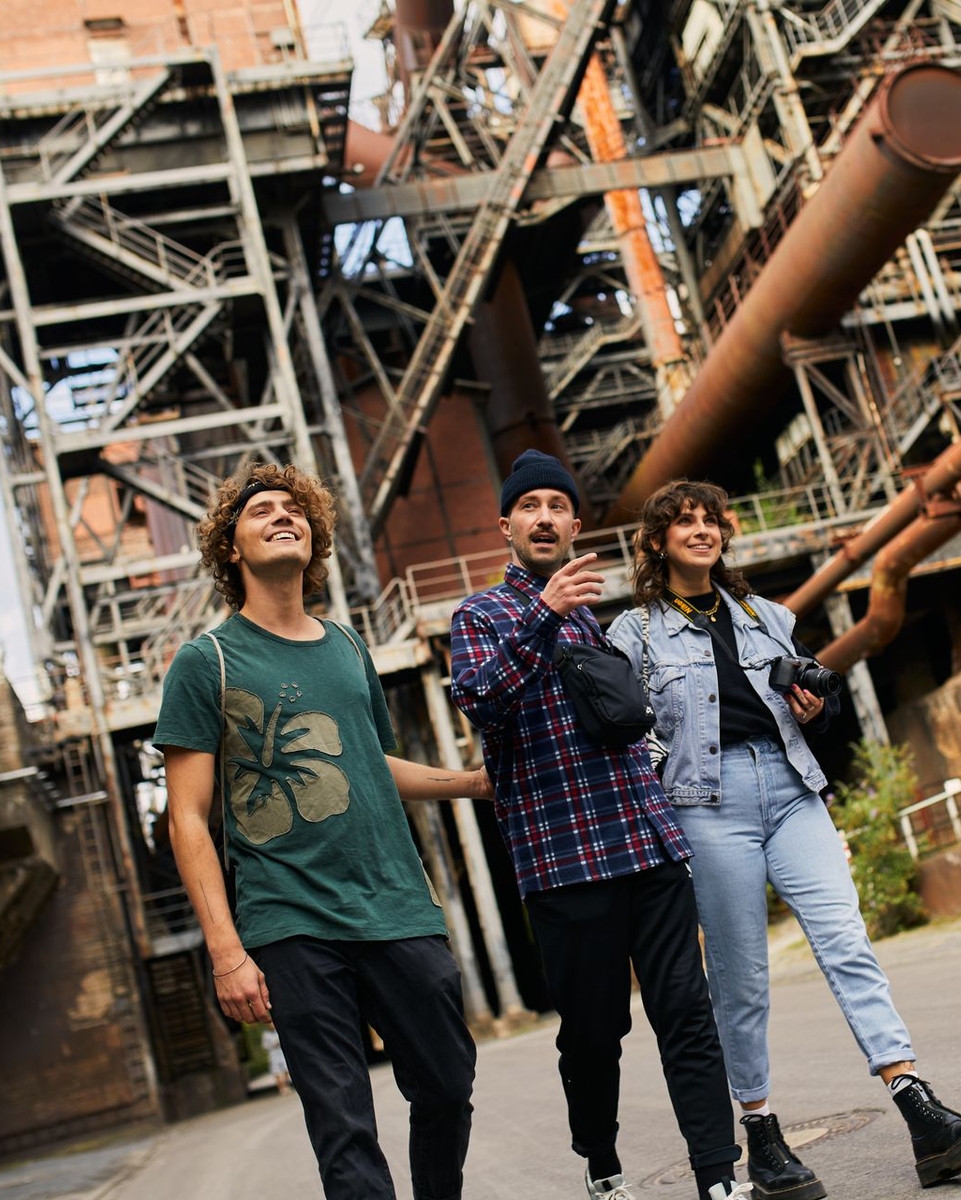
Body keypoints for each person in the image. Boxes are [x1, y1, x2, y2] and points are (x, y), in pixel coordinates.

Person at [607, 479, 961, 1193]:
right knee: (741, 978)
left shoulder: (768, 617)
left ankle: (919, 1108)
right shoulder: (632, 635)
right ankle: (762, 1136)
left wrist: (815, 710)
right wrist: (664, 785)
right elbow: (627, 736)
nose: (702, 531)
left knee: (847, 941)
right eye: (684, 522)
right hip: (708, 804)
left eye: (711, 520)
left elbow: (815, 712)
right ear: (658, 542)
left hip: (791, 788)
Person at [155, 463, 488, 1200]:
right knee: (343, 1125)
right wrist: (226, 951)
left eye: (294, 509)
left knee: (448, 1082)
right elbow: (187, 817)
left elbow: (369, 762)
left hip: (394, 903)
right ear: (230, 548)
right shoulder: (205, 663)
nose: (284, 516)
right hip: (290, 919)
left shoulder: (347, 645)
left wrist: (469, 783)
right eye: (261, 511)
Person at [448, 450, 748, 1200]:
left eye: (558, 506)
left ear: (576, 526)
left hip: (645, 842)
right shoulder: (481, 615)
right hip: (563, 861)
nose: (545, 517)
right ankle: (602, 1161)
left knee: (686, 1013)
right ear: (507, 525)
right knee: (594, 1031)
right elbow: (481, 701)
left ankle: (719, 1175)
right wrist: (544, 615)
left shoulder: (594, 620)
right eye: (530, 506)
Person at [261, 1025, 291, 1095]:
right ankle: (281, 1088)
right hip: (273, 1056)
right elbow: (264, 1046)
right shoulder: (266, 1034)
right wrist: (273, 1045)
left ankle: (286, 1086)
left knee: (286, 1070)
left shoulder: (278, 1031)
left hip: (282, 1054)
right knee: (277, 1072)